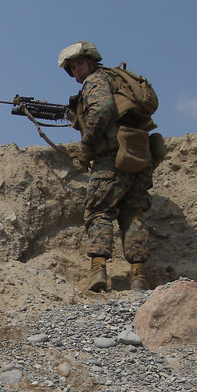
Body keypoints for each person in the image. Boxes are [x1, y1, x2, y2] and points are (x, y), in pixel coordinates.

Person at [60, 41, 154, 292]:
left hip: (111, 158)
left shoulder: (96, 80)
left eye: (80, 63)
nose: (77, 70)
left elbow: (102, 109)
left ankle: (98, 270)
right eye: (72, 67)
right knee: (133, 213)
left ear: (91, 61)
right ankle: (138, 276)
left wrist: (87, 143)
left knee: (99, 210)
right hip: (138, 153)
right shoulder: (117, 81)